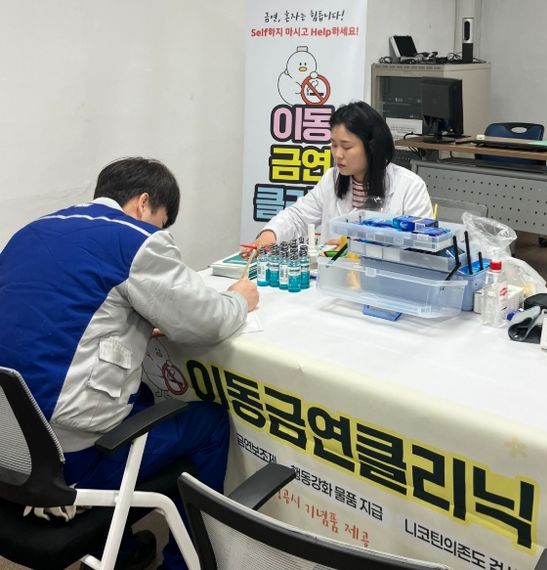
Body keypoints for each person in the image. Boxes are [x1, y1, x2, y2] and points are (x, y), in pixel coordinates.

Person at [0, 157, 258, 569]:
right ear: (143, 202)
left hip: (10, 446)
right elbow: (206, 321)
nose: (159, 231)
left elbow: (66, 316)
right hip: (66, 461)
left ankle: (119, 552)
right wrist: (239, 300)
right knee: (209, 423)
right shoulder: (136, 240)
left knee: (145, 396)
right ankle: (184, 562)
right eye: (162, 221)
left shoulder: (32, 231)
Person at [249, 100, 433, 250]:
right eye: (334, 145)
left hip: (384, 281)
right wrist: (270, 234)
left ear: (372, 146)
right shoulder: (332, 179)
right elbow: (297, 217)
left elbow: (421, 246)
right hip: (334, 277)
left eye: (346, 146)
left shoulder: (409, 187)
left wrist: (359, 247)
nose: (337, 154)